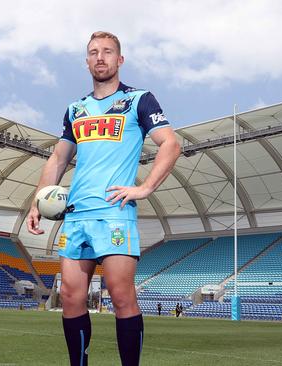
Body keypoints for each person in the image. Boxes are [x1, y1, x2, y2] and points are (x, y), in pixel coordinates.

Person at [27, 31, 180, 366]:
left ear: (119, 60)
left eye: (108, 52)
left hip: (115, 212)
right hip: (77, 215)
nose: (100, 57)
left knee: (122, 296)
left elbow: (171, 143)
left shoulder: (140, 100)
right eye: (94, 52)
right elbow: (58, 158)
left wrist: (145, 188)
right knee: (69, 297)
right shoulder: (76, 109)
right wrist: (37, 202)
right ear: (86, 62)